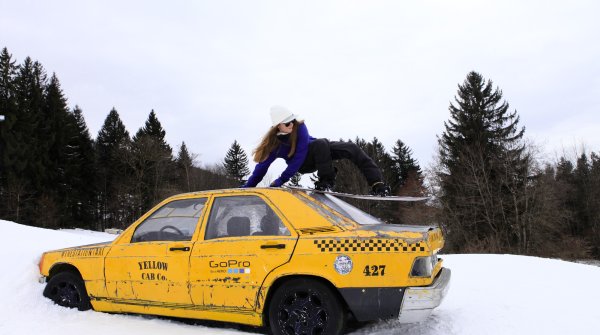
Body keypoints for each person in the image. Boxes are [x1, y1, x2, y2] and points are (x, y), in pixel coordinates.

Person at [242, 106, 390, 196]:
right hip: (302, 164)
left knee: (350, 148)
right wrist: (245, 189)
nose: (292, 126)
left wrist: (282, 180)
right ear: (277, 126)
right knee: (321, 143)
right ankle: (326, 181)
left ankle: (377, 184)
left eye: (292, 121)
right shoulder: (274, 144)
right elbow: (261, 169)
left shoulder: (300, 127)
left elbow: (304, 149)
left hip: (319, 153)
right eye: (287, 124)